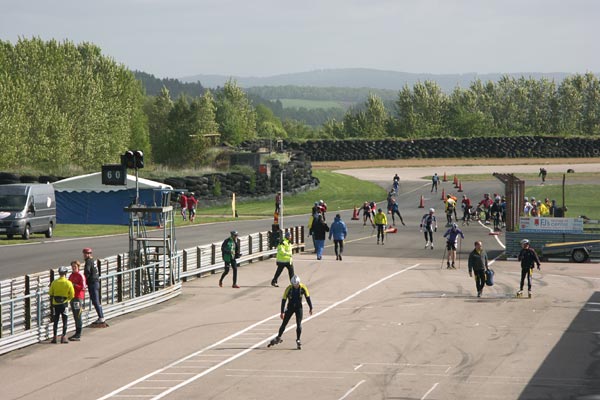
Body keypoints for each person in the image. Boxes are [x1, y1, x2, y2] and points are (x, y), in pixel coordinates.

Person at [267, 275, 313, 350]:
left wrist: (310, 307)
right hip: (290, 307)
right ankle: (279, 337)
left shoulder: (303, 288)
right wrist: (282, 312)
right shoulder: (288, 289)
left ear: (299, 283)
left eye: (297, 284)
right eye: (294, 285)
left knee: (299, 324)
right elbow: (284, 300)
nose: (295, 286)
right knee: (284, 323)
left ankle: (298, 339)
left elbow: (308, 297)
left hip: (299, 308)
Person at [49, 266, 75, 344]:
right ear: (65, 273)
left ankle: (54, 337)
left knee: (56, 320)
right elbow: (72, 294)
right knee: (65, 320)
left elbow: (51, 293)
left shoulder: (54, 282)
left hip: (55, 304)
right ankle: (63, 336)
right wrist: (68, 299)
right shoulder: (68, 283)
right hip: (64, 304)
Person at [83, 248, 105, 324]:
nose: (85, 255)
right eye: (85, 253)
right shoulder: (92, 261)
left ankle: (101, 317)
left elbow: (87, 272)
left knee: (95, 301)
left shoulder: (89, 261)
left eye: (87, 253)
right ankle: (101, 316)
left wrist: (84, 281)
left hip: (93, 283)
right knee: (96, 300)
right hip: (96, 282)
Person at [68, 260, 86, 341]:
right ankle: (77, 332)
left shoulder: (80, 275)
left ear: (78, 267)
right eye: (72, 267)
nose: (73, 268)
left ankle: (78, 334)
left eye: (75, 267)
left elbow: (83, 287)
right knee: (75, 315)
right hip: (72, 297)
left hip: (78, 297)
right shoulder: (71, 275)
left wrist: (74, 285)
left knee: (78, 315)